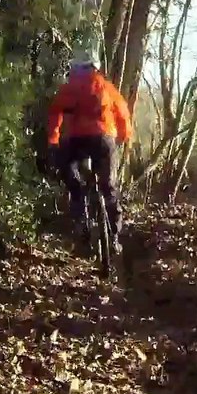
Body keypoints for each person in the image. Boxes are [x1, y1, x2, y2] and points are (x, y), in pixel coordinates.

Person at [46, 54, 132, 252]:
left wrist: (53, 139)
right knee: (108, 186)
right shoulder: (107, 87)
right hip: (103, 139)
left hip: (76, 140)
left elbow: (55, 114)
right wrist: (123, 137)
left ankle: (81, 222)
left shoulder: (69, 88)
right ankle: (114, 236)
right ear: (96, 69)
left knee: (72, 177)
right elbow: (123, 113)